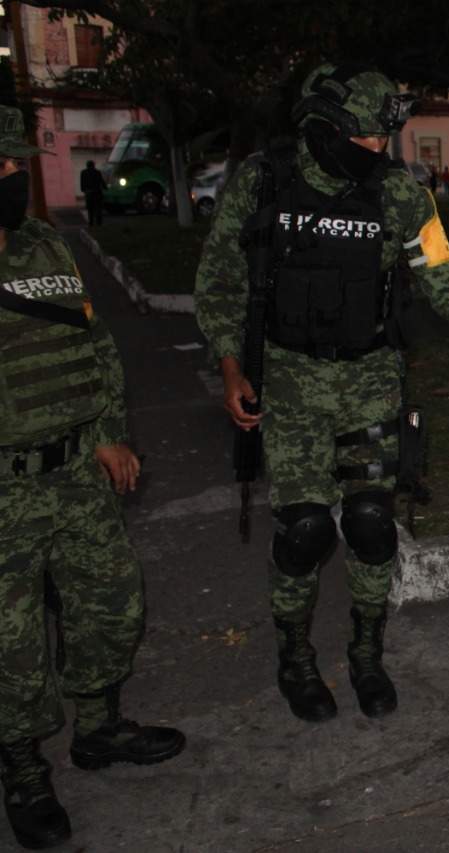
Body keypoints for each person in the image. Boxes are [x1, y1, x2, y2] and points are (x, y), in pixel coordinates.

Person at [194, 62, 449, 725]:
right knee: (304, 529)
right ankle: (296, 659)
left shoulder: (400, 195)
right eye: (362, 140)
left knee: (369, 525)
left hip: (368, 383)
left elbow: (445, 278)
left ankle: (367, 651)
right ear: (322, 127)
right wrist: (229, 366)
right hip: (291, 384)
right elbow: (218, 280)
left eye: (381, 142)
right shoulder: (263, 182)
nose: (375, 153)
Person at [0, 104, 185, 851]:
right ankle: (21, 765)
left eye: (15, 166)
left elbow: (97, 343)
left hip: (76, 468)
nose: (12, 178)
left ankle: (99, 728)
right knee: (10, 641)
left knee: (110, 600)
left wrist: (111, 432)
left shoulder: (44, 243)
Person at [79, 159, 107, 226]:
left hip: (88, 193)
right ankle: (98, 222)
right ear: (93, 165)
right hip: (97, 192)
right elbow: (101, 181)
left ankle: (91, 222)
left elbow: (82, 183)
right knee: (98, 208)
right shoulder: (97, 172)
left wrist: (84, 190)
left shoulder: (83, 173)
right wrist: (105, 188)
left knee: (90, 209)